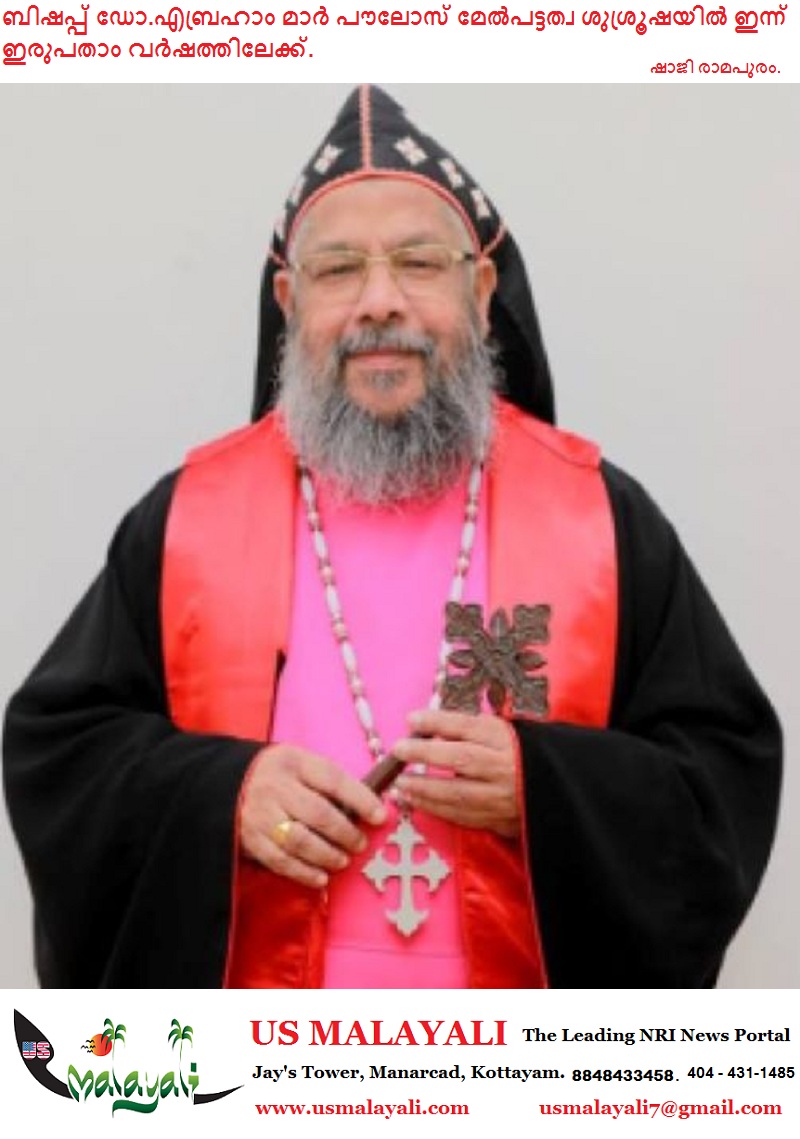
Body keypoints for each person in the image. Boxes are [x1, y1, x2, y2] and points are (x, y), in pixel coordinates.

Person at [2, 86, 782, 989]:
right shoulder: (190, 518)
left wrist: (546, 788)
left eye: (417, 262)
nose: (379, 302)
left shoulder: (597, 517)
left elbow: (722, 774)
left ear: (480, 292)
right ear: (290, 301)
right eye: (339, 271)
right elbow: (63, 752)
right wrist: (226, 797)